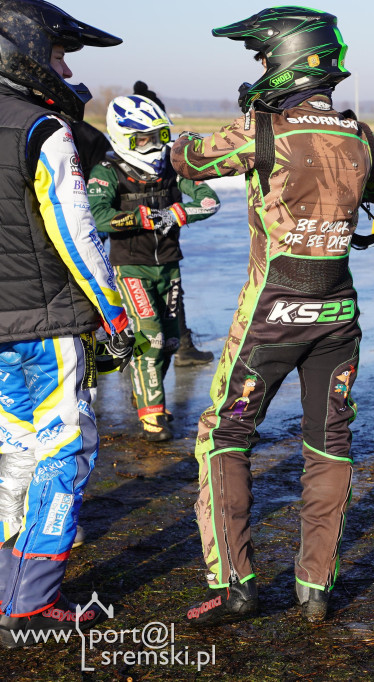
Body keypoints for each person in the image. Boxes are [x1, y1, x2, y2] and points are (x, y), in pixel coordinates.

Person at [170, 6, 374, 625]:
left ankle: (236, 584)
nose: (260, 69)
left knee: (224, 435)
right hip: (339, 313)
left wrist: (186, 136)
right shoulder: (359, 132)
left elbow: (188, 160)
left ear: (288, 58)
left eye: (263, 58)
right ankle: (315, 588)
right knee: (329, 444)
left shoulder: (263, 128)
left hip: (272, 313)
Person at [0, 0, 135, 648]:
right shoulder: (41, 128)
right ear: (26, 50)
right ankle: (31, 601)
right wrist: (113, 310)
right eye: (59, 55)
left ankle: (7, 587)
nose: (64, 69)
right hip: (42, 323)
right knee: (64, 449)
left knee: (7, 454)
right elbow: (75, 229)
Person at [88, 94, 221, 441]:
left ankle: (145, 394)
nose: (153, 146)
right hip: (131, 267)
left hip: (170, 266)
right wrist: (139, 219)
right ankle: (152, 415)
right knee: (152, 339)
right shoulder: (107, 171)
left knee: (173, 341)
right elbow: (97, 215)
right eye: (144, 138)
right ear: (124, 138)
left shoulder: (171, 170)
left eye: (160, 136)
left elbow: (209, 201)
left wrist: (177, 213)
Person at [129, 79, 216, 367]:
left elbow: (205, 198)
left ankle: (174, 348)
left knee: (166, 303)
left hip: (159, 250)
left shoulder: (160, 162)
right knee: (150, 313)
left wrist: (179, 212)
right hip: (137, 255)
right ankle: (145, 364)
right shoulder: (127, 165)